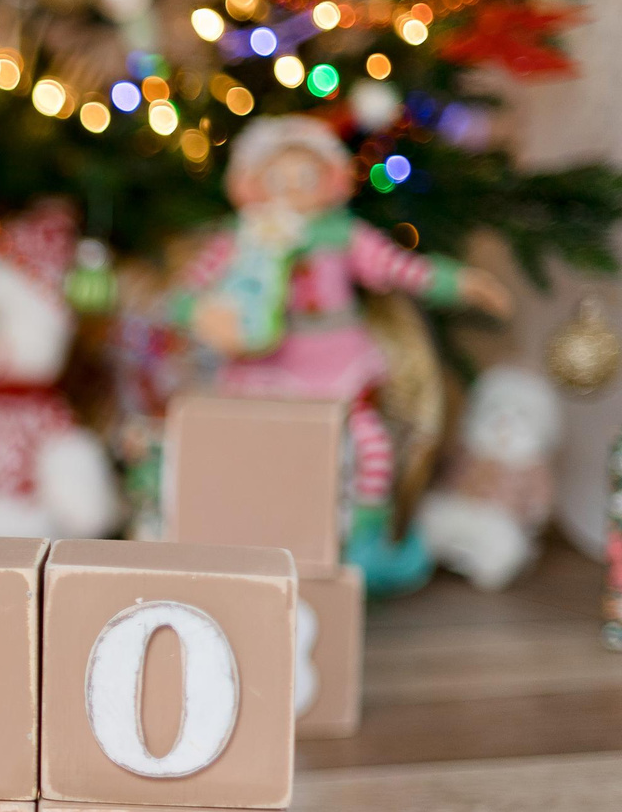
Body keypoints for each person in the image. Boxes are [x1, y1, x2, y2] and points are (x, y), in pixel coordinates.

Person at [168, 116, 512, 591]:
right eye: (276, 178)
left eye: (304, 177)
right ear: (250, 184)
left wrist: (461, 282)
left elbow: (402, 269)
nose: (290, 189)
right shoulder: (243, 238)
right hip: (265, 368)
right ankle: (259, 541)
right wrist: (203, 314)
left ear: (329, 179)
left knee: (367, 446)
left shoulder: (345, 236)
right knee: (265, 456)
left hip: (336, 362)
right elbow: (187, 293)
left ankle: (363, 549)